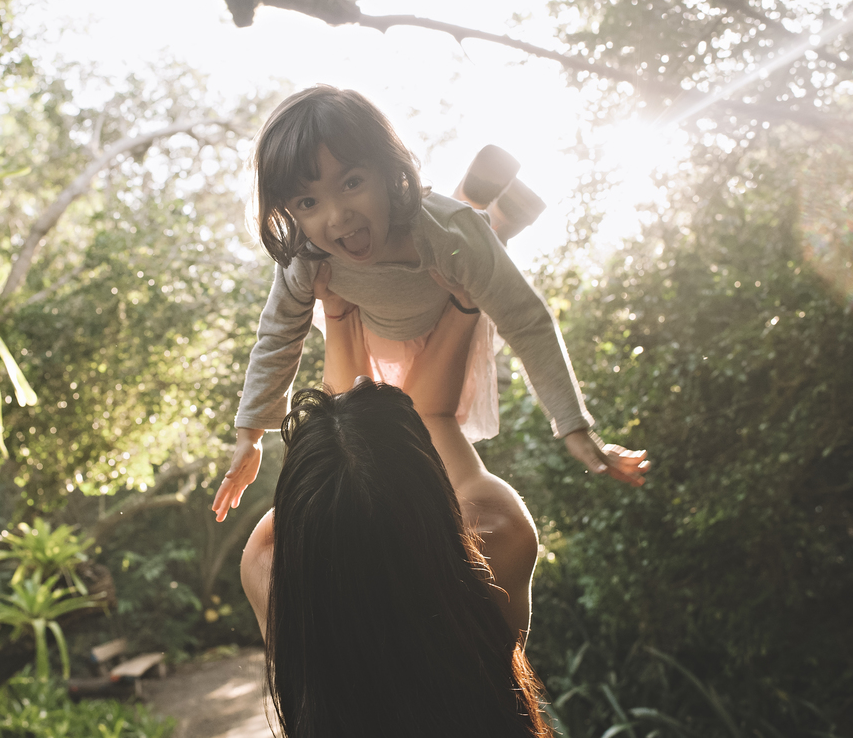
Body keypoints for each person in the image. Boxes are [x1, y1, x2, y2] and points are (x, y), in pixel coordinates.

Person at [212, 85, 647, 526]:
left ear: (387, 169)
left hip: (450, 304)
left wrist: (572, 423)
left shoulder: (446, 233)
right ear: (288, 211)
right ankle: (489, 214)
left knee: (466, 242)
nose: (337, 216)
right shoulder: (307, 255)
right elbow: (279, 334)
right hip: (375, 326)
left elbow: (525, 320)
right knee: (362, 412)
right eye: (308, 202)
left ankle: (486, 219)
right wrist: (250, 433)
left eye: (351, 182)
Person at [239, 380, 551, 738]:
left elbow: (318, 514)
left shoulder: (265, 564)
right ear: (429, 484)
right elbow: (438, 416)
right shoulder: (503, 537)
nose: (356, 378)